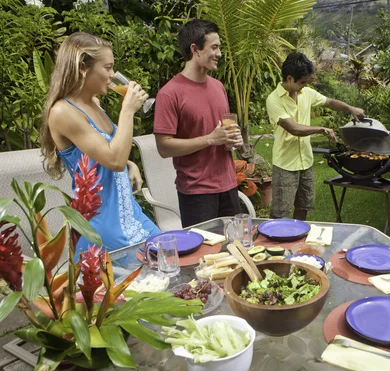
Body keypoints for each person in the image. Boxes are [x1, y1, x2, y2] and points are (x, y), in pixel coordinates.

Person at [40, 32, 161, 254]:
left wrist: (130, 165)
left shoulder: (95, 104)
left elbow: (109, 155)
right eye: (108, 68)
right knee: (160, 274)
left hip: (130, 216)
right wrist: (127, 110)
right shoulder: (62, 112)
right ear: (82, 69)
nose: (112, 75)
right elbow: (113, 159)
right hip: (103, 229)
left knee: (173, 258)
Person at [153, 19, 243, 227]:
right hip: (196, 192)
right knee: (203, 256)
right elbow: (164, 147)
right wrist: (210, 139)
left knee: (234, 248)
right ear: (195, 49)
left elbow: (221, 131)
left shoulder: (218, 86)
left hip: (228, 185)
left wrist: (232, 139)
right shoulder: (169, 93)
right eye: (214, 47)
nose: (219, 53)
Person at [266, 52, 365, 220]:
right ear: (289, 78)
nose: (305, 85)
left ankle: (297, 238)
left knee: (303, 206)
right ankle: (275, 244)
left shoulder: (307, 94)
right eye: (303, 82)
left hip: (306, 161)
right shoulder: (274, 99)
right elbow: (294, 129)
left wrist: (350, 108)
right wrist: (321, 129)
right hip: (285, 165)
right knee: (280, 213)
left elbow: (329, 102)